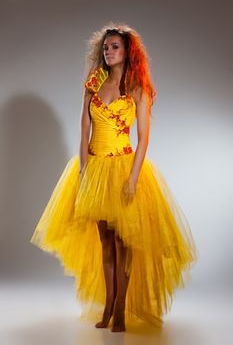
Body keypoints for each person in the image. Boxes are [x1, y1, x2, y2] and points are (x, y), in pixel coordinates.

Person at [30, 22, 198, 332]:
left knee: (124, 241)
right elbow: (84, 129)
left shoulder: (137, 88)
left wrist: (133, 178)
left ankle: (121, 307)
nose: (109, 51)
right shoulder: (94, 83)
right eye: (106, 47)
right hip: (94, 167)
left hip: (123, 166)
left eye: (115, 47)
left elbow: (144, 138)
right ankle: (108, 303)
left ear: (127, 51)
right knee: (104, 241)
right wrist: (83, 170)